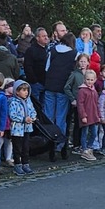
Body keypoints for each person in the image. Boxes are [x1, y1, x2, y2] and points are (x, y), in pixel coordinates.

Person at [41, 26, 75, 156]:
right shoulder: (73, 54)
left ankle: (47, 140)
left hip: (50, 86)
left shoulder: (53, 50)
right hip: (62, 88)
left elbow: (46, 68)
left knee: (49, 116)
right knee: (61, 117)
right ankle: (59, 144)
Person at [8, 80, 37, 176]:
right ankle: (17, 164)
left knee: (26, 147)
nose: (26, 92)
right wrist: (23, 119)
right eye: (23, 90)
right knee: (17, 148)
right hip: (17, 129)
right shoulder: (13, 102)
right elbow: (13, 115)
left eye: (27, 90)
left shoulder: (28, 101)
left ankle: (25, 163)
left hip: (27, 128)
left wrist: (32, 117)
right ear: (17, 91)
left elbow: (32, 110)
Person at [76, 69, 101, 161]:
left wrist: (98, 115)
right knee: (85, 133)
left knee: (94, 133)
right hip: (86, 116)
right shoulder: (82, 91)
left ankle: (89, 147)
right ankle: (84, 149)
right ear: (84, 79)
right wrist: (83, 116)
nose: (89, 82)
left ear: (94, 80)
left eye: (91, 80)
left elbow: (96, 104)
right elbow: (80, 104)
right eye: (88, 79)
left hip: (93, 115)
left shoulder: (94, 91)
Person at [22, 26, 50, 106]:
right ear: (37, 38)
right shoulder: (31, 50)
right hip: (35, 84)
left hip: (45, 83)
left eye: (46, 36)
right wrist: (34, 80)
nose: (46, 38)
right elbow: (28, 66)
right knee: (35, 106)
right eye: (43, 36)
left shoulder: (48, 50)